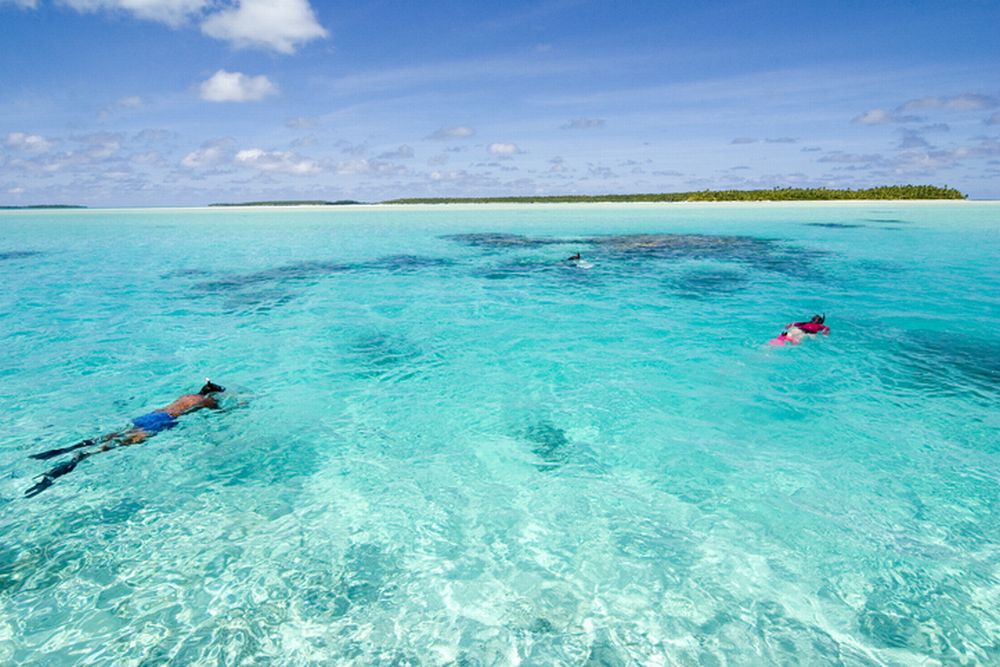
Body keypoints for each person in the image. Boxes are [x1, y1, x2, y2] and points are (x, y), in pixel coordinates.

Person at [24, 379, 226, 498]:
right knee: (110, 446)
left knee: (107, 436)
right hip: (163, 422)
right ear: (212, 394)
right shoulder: (205, 401)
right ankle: (70, 463)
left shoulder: (188, 396)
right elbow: (219, 411)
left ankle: (59, 451)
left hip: (150, 416)